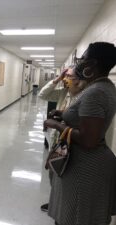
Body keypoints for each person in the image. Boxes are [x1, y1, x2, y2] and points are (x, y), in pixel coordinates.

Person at [44, 42, 116, 225]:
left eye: (83, 59)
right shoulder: (105, 87)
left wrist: (57, 125)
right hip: (89, 162)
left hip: (84, 165)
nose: (79, 63)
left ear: (92, 64)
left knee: (74, 216)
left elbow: (88, 139)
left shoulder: (95, 92)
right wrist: (64, 115)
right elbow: (88, 119)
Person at [39, 66, 87, 212]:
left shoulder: (85, 97)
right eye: (64, 77)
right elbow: (43, 94)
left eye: (69, 77)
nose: (65, 80)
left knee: (65, 176)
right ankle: (55, 201)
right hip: (58, 141)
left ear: (79, 81)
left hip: (73, 143)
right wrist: (57, 79)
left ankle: (64, 207)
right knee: (53, 171)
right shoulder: (64, 93)